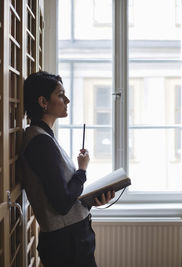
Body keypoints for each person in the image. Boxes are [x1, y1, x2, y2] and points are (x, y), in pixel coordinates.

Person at [20, 71, 115, 267]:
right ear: (43, 102)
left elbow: (61, 197)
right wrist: (81, 170)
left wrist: (89, 202)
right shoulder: (40, 142)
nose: (67, 100)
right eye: (60, 95)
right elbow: (62, 203)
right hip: (67, 243)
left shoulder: (44, 137)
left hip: (71, 239)